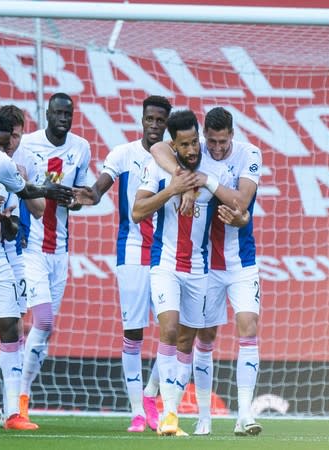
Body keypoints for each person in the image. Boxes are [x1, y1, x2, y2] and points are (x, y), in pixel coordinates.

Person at [151, 107, 262, 436]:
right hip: (208, 264)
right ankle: (200, 416)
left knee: (249, 326)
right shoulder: (195, 154)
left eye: (221, 142)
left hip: (242, 259)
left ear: (232, 134)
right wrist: (184, 182)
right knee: (202, 338)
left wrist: (206, 180)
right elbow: (158, 147)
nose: (214, 149)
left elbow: (241, 202)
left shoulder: (249, 153)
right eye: (209, 142)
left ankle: (244, 414)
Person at [72, 95, 173, 433]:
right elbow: (100, 188)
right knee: (133, 333)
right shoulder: (124, 154)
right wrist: (87, 195)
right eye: (150, 119)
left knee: (176, 329)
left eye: (161, 120)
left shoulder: (176, 158)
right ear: (142, 120)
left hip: (168, 253)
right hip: (131, 250)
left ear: (167, 123)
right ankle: (138, 413)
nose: (155, 125)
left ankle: (151, 393)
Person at [131, 109, 234, 436]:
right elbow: (137, 212)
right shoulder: (157, 167)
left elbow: (235, 203)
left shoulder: (212, 169)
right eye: (184, 145)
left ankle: (152, 395)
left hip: (200, 269)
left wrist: (200, 186)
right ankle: (170, 415)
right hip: (165, 265)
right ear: (173, 145)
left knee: (188, 340)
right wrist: (174, 188)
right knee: (171, 330)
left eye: (195, 143)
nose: (192, 150)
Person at [17, 93, 90, 420]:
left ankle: (22, 390)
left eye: (68, 113)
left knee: (45, 329)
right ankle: (20, 392)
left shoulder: (81, 148)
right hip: (30, 247)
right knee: (42, 320)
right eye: (58, 112)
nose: (63, 117)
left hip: (60, 251)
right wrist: (45, 189)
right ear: (46, 114)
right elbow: (19, 185)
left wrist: (74, 200)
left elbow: (84, 194)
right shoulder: (28, 145)